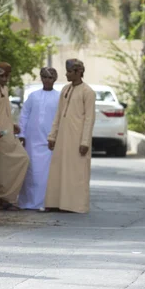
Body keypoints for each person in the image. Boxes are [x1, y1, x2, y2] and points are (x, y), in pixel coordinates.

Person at [44, 59, 96, 213]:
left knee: (76, 171)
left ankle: (75, 205)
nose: (66, 74)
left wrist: (85, 141)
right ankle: (55, 203)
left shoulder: (88, 92)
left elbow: (89, 119)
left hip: (78, 139)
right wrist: (52, 136)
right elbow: (59, 114)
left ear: (78, 72)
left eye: (69, 72)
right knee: (58, 170)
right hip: (62, 138)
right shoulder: (65, 89)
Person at [0, 62, 30, 211]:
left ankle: (7, 198)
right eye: (0, 75)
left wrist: (12, 124)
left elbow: (4, 112)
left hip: (7, 135)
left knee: (22, 159)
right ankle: (4, 200)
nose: (3, 78)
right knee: (0, 169)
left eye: (5, 76)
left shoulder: (4, 88)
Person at [18, 67, 61, 211]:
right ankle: (28, 203)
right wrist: (22, 135)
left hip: (49, 141)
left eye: (50, 78)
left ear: (54, 80)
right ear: (41, 78)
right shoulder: (33, 96)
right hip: (32, 140)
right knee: (32, 172)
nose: (47, 80)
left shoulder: (59, 97)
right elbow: (24, 115)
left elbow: (60, 118)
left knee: (46, 174)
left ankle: (45, 202)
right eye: (44, 77)